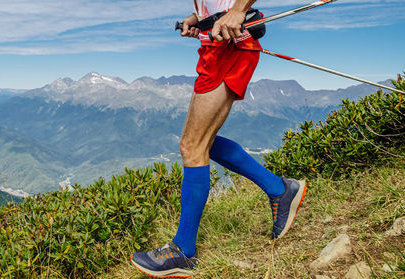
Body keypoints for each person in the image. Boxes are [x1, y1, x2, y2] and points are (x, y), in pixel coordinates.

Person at [131, 0, 306, 277]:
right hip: (216, 44)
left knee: (192, 146)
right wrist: (199, 17)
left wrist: (238, 10)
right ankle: (280, 190)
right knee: (201, 142)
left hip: (231, 45)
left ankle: (183, 251)